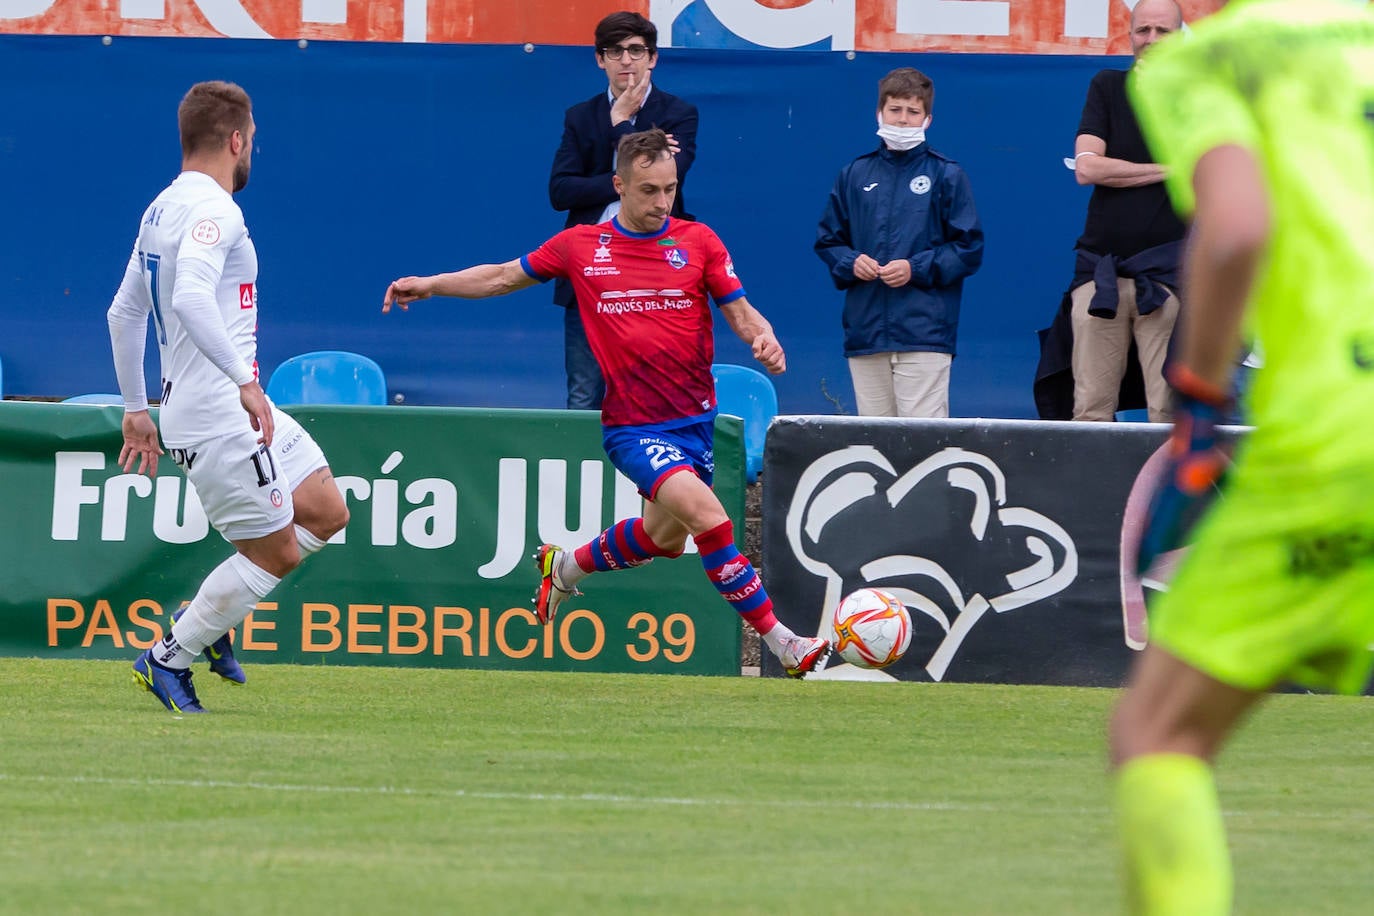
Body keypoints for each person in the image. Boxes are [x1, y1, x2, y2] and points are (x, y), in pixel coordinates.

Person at [386, 128, 829, 678]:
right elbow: (501, 277)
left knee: (662, 539)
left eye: (669, 189)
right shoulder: (581, 246)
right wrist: (430, 284)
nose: (661, 202)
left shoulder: (699, 241)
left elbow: (741, 312)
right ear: (619, 185)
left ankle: (565, 566)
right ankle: (785, 643)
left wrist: (764, 337)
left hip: (696, 421)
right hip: (635, 427)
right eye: (648, 190)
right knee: (711, 519)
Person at [1112, 2, 1374, 912]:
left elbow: (1236, 229)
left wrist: (1199, 402)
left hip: (1343, 437)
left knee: (1156, 736)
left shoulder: (1206, 61)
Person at [108, 81, 349, 713]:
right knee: (277, 554)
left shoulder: (160, 208)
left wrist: (137, 408)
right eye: (253, 144)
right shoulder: (220, 211)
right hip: (221, 412)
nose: (252, 156)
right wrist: (244, 380)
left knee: (326, 510)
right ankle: (169, 657)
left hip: (214, 405)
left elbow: (121, 313)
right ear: (237, 140)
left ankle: (204, 619)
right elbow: (188, 297)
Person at [548, 11, 699, 412]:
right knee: (584, 395)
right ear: (600, 59)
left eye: (636, 50)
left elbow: (668, 178)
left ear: (653, 58)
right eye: (615, 51)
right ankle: (582, 473)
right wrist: (627, 169)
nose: (626, 61)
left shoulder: (678, 114)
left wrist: (618, 128)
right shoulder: (580, 117)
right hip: (591, 268)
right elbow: (561, 191)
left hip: (655, 268)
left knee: (652, 393)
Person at [814, 67, 983, 418]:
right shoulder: (855, 174)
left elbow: (968, 248)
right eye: (895, 110)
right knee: (875, 441)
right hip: (866, 333)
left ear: (927, 119)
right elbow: (829, 241)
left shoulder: (946, 174)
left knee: (922, 442)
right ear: (879, 113)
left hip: (924, 333)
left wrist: (915, 268)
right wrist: (850, 262)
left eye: (912, 112)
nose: (903, 121)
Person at [1066, 0, 1187, 422]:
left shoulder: (1200, 99)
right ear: (1130, 34)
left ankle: (1165, 492)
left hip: (1170, 278)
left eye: (1163, 31)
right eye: (1143, 30)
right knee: (1090, 409)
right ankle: (1091, 491)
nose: (1151, 40)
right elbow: (1087, 167)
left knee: (1168, 413)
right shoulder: (1108, 86)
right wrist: (1170, 169)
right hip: (1101, 274)